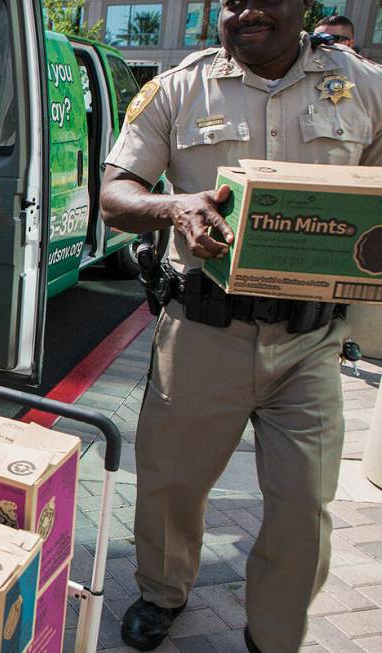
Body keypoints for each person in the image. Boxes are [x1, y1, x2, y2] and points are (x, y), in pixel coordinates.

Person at [98, 1, 382, 651]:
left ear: (305, 6)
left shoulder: (365, 86)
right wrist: (174, 206)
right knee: (171, 484)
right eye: (231, 0)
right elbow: (115, 195)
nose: (247, 10)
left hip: (309, 343)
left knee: (304, 505)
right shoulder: (178, 87)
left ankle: (275, 634)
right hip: (201, 332)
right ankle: (162, 591)